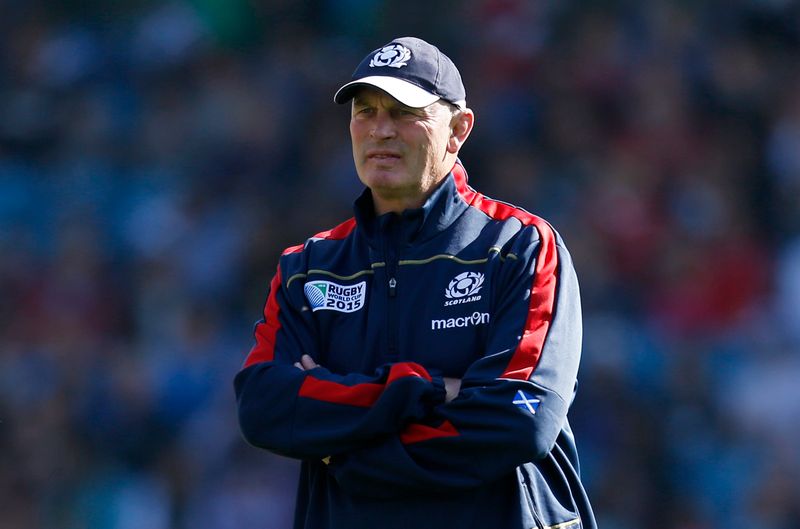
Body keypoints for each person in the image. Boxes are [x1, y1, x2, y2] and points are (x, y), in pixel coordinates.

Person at [235, 36, 596, 529]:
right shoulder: (309, 266)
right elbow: (263, 406)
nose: (381, 130)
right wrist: (425, 389)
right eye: (366, 111)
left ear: (459, 129)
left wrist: (346, 451)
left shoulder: (521, 247)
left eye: (405, 112)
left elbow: (522, 418)